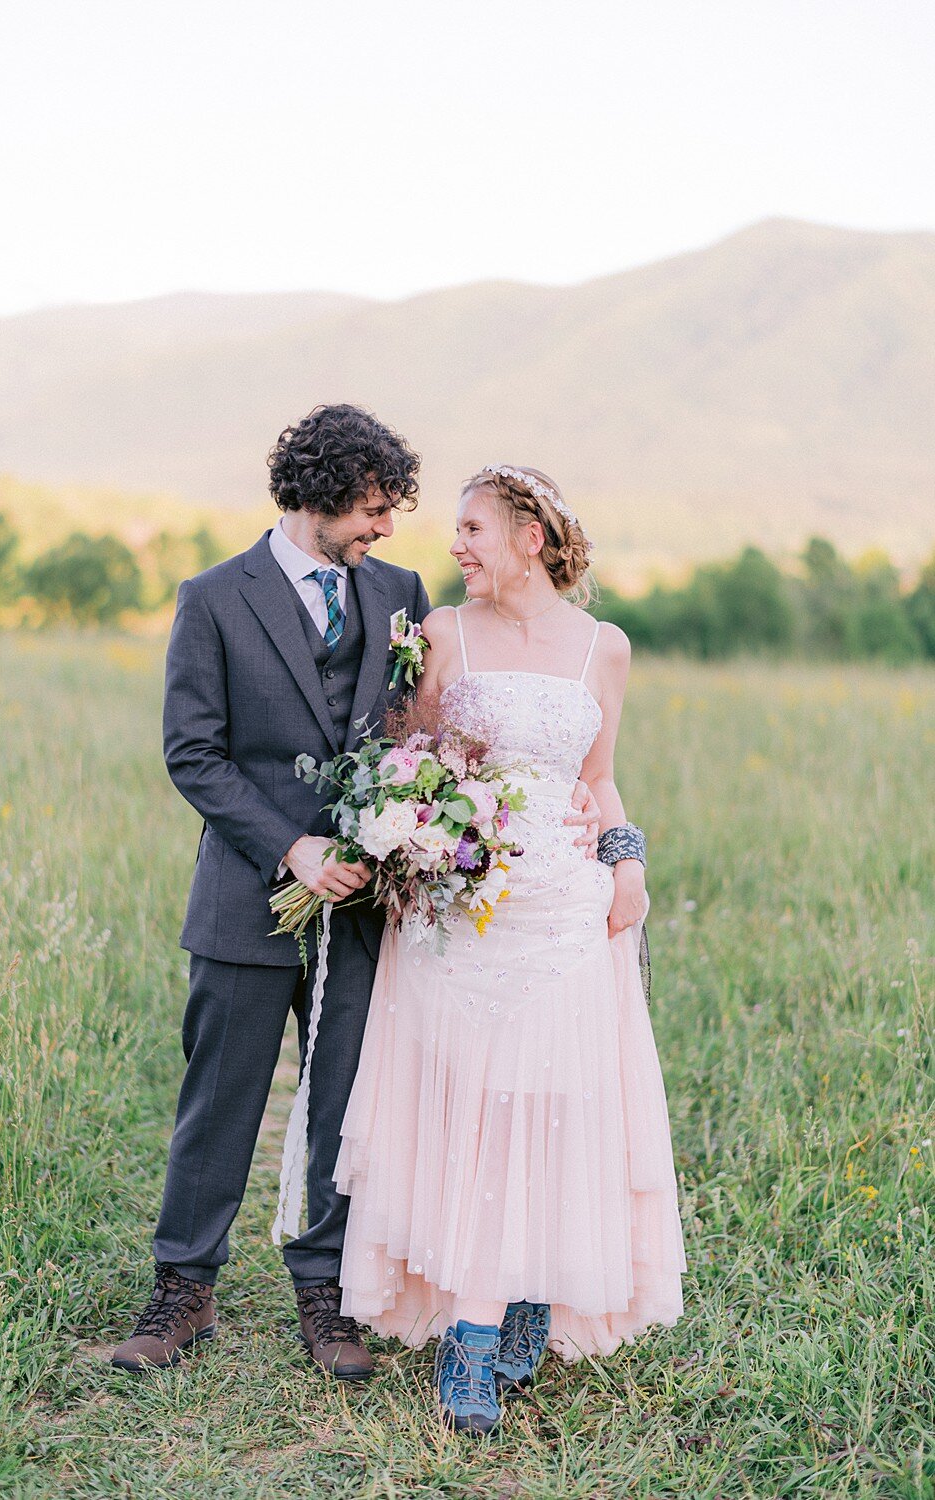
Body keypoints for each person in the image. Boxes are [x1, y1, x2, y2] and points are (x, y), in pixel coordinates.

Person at [110, 415, 600, 1379]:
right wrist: (291, 848)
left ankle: (325, 1293)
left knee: (343, 1101)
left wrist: (532, 796)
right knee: (222, 1097)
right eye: (374, 508)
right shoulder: (213, 598)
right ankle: (183, 1291)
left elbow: (420, 736)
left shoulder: (400, 595)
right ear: (320, 493)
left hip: (376, 903)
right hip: (250, 892)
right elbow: (192, 753)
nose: (385, 528)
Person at [334, 464, 686, 1433]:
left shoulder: (602, 649)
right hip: (461, 914)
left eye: (473, 528)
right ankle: (471, 1340)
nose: (455, 546)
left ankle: (530, 1284)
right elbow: (409, 759)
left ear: (531, 536)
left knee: (555, 1101)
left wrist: (628, 866)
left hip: (567, 914)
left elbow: (602, 778)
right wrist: (410, 829)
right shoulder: (443, 635)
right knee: (477, 1109)